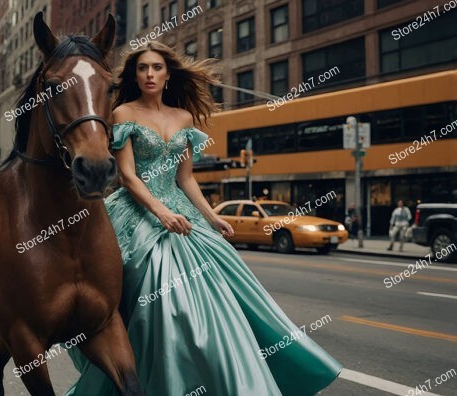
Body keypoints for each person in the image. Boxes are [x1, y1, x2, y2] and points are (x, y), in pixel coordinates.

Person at [66, 42, 341, 395]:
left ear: (168, 74)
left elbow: (185, 178)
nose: (150, 74)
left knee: (227, 291)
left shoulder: (183, 118)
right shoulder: (123, 114)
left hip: (183, 214)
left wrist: (211, 217)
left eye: (157, 68)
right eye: (142, 68)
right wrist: (161, 212)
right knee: (154, 297)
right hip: (137, 212)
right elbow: (129, 177)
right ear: (135, 75)